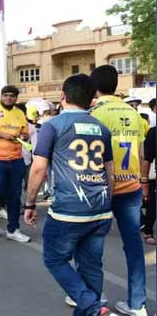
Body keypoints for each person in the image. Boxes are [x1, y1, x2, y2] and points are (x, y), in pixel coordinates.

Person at [24, 74, 115, 316]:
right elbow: (110, 173)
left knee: (54, 259)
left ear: (62, 97)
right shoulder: (102, 129)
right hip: (101, 208)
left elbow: (38, 168)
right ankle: (91, 308)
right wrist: (108, 205)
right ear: (91, 100)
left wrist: (29, 203)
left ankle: (93, 307)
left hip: (68, 210)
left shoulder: (52, 126)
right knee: (91, 266)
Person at [90, 65, 148, 316]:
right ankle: (138, 305)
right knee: (134, 247)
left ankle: (95, 297)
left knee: (92, 244)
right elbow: (143, 151)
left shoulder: (95, 113)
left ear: (95, 87)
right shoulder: (135, 113)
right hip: (131, 186)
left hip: (101, 187)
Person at [0, 85, 32, 243]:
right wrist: (2, 135)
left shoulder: (20, 113)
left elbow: (26, 132)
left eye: (12, 96)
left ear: (16, 98)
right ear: (1, 96)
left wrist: (22, 135)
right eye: (6, 95)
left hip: (16, 159)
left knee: (15, 195)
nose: (9, 98)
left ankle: (13, 229)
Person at [142, 124, 156, 245]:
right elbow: (147, 159)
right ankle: (148, 231)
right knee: (153, 206)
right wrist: (144, 181)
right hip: (154, 179)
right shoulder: (154, 132)